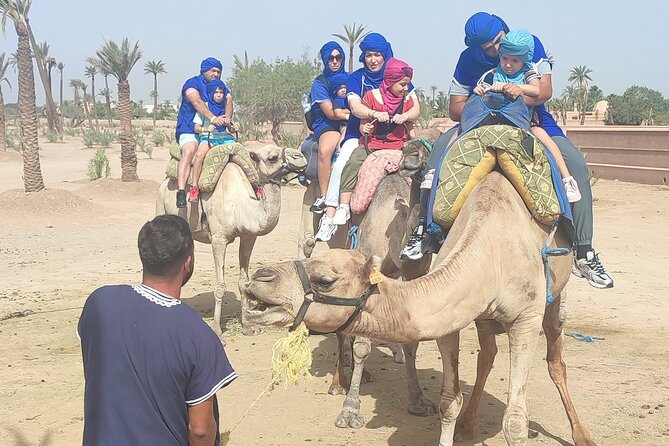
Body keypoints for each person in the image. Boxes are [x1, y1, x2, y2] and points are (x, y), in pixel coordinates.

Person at [403, 12, 613, 290]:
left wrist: (512, 96)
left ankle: (584, 250)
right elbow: (456, 108)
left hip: (530, 120)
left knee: (575, 165)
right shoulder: (468, 60)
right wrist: (486, 98)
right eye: (487, 48)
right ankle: (424, 231)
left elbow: (544, 91)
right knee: (436, 157)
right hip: (478, 121)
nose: (495, 50)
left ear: (504, 31)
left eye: (497, 42)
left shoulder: (528, 44)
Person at [78, 215, 237, 446]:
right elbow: (200, 430)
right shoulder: (199, 334)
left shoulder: (99, 303)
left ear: (144, 255)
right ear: (188, 262)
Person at [315, 33, 421, 242]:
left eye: (378, 55)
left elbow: (414, 105)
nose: (373, 60)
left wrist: (404, 117)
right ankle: (333, 211)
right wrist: (374, 114)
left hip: (397, 138)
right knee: (344, 161)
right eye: (369, 55)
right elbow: (355, 107)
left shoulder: (398, 75)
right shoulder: (356, 79)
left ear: (385, 56)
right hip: (361, 134)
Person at [473, 29, 581, 202]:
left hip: (523, 123)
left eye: (514, 60)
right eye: (505, 59)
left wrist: (517, 88)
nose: (508, 64)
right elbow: (481, 89)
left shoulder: (528, 72)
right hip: (493, 123)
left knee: (541, 134)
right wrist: (479, 90)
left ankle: (567, 179)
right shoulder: (493, 74)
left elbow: (536, 89)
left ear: (524, 60)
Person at [336, 57, 416, 210]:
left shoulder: (407, 101)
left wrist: (407, 123)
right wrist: (367, 127)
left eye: (407, 84)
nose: (407, 88)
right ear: (391, 81)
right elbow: (363, 125)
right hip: (372, 147)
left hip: (399, 147)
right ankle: (344, 206)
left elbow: (411, 129)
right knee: (353, 162)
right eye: (403, 84)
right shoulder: (371, 97)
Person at [175, 57, 233, 208]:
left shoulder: (220, 87)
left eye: (219, 71)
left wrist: (227, 120)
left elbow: (229, 100)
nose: (216, 74)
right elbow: (197, 102)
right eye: (213, 71)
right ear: (204, 70)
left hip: (216, 132)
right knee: (190, 151)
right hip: (191, 129)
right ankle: (182, 191)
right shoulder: (192, 84)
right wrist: (213, 118)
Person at [308, 42, 350, 214]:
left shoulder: (350, 78)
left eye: (338, 57)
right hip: (327, 123)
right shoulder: (320, 83)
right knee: (326, 150)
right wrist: (352, 114)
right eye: (330, 58)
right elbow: (330, 113)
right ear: (325, 60)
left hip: (350, 121)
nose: (334, 61)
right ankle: (324, 196)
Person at [189, 79, 234, 202]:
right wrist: (206, 129)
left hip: (225, 138)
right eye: (216, 92)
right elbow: (196, 127)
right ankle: (194, 187)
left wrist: (233, 126)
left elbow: (231, 126)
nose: (219, 95)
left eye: (221, 92)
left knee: (245, 155)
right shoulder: (205, 107)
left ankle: (255, 184)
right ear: (210, 93)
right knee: (199, 156)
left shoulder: (227, 109)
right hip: (209, 138)